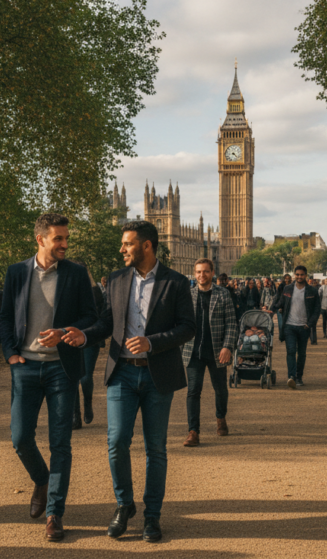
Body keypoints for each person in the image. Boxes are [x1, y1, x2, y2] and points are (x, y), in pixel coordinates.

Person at [64, 220, 195, 543]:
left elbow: (187, 327)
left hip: (156, 374)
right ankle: (124, 505)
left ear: (147, 246)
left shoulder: (176, 282)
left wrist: (153, 342)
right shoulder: (118, 280)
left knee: (156, 449)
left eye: (127, 244)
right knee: (117, 441)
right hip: (121, 372)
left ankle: (152, 516)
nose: (121, 249)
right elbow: (106, 322)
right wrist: (84, 335)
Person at [0, 214, 97, 541]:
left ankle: (55, 513)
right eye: (58, 239)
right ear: (40, 239)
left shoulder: (77, 274)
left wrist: (67, 331)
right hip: (25, 366)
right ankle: (42, 480)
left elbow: (90, 318)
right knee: (20, 438)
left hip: (61, 367)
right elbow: (4, 318)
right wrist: (11, 354)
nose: (65, 244)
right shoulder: (15, 272)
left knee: (61, 444)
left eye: (66, 238)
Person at [182, 258, 237, 447]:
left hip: (217, 351)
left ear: (212, 273)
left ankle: (221, 418)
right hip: (193, 352)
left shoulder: (223, 294)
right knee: (193, 391)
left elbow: (231, 322)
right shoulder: (187, 295)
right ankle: (193, 431)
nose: (201, 275)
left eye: (205, 271)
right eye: (198, 272)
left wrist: (227, 346)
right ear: (194, 273)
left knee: (220, 389)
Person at [273, 266, 321, 388]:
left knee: (302, 353)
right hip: (289, 325)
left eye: (302, 275)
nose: (299, 277)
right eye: (297, 274)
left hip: (304, 326)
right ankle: (291, 377)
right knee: (290, 351)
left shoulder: (312, 291)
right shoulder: (288, 289)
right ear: (294, 275)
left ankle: (299, 377)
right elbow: (281, 303)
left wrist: (309, 323)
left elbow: (317, 309)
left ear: (306, 275)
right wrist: (270, 309)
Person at [74, 265, 106, 430]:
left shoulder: (95, 292)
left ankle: (88, 402)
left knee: (85, 377)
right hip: (70, 338)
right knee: (72, 377)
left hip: (89, 339)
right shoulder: (66, 290)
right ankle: (75, 417)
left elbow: (101, 316)